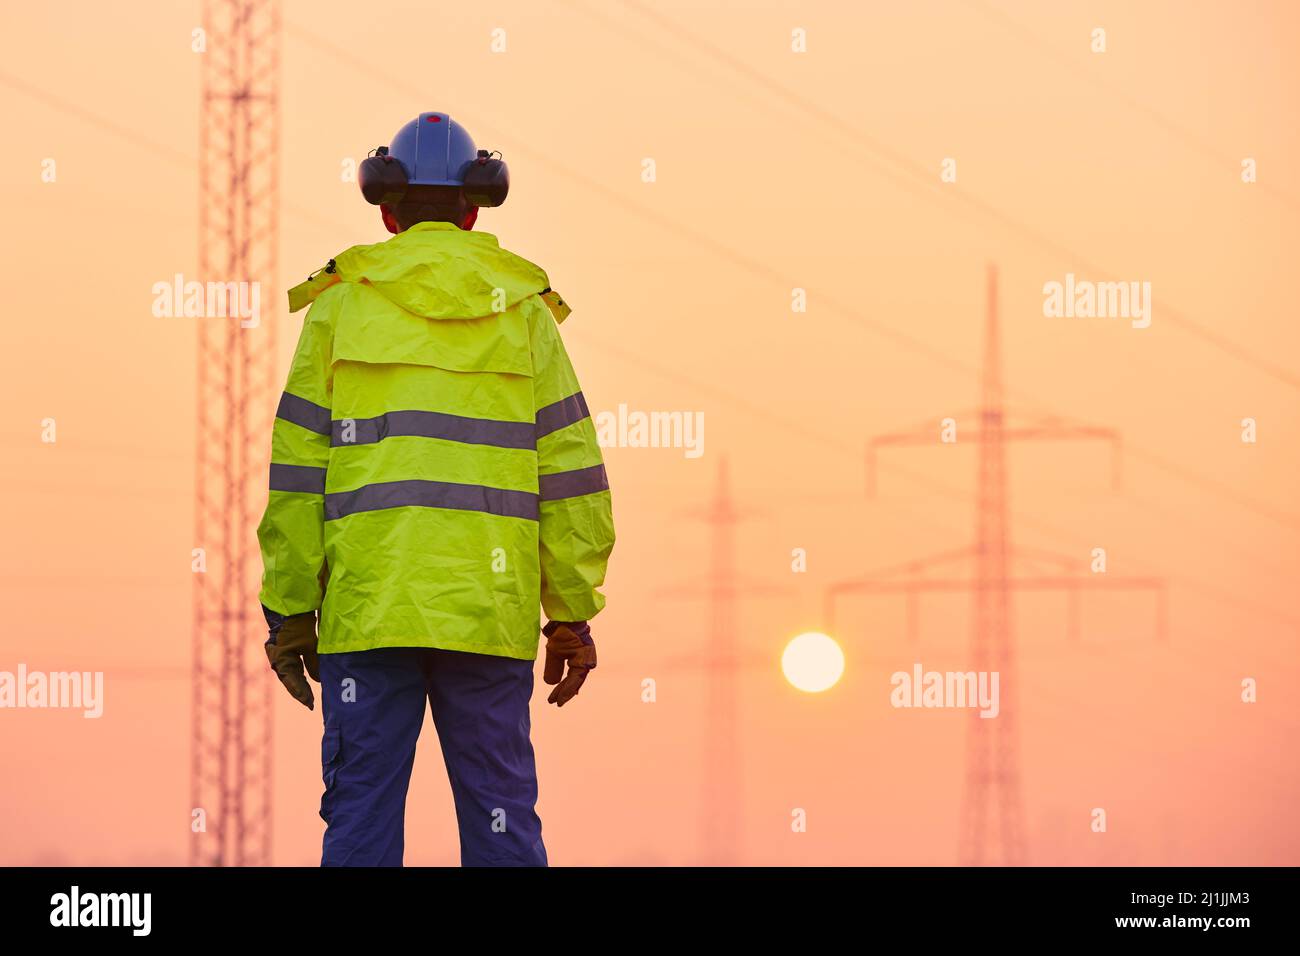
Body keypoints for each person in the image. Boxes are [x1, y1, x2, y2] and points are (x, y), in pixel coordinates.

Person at [255, 112, 615, 866]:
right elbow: (573, 477)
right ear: (474, 208)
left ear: (385, 209)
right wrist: (571, 615)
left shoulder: (339, 308)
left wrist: (290, 608)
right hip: (486, 614)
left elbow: (297, 475)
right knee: (502, 823)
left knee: (358, 824)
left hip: (368, 609)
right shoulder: (522, 315)